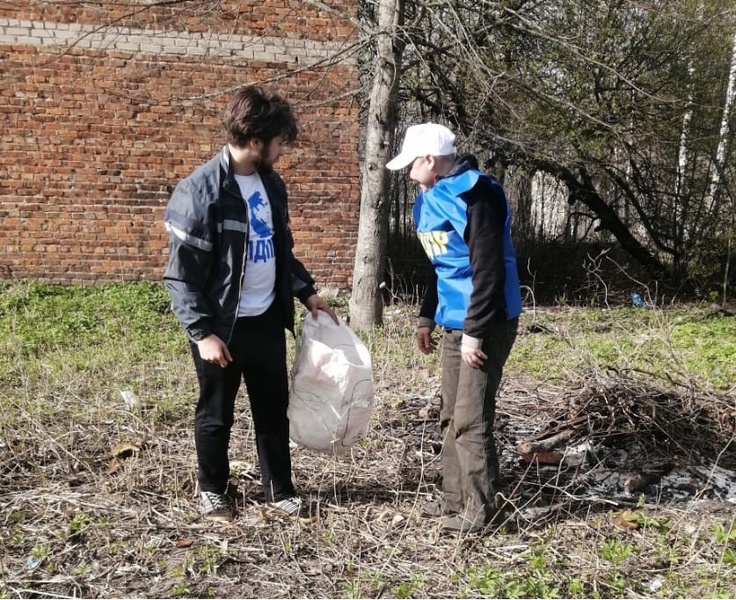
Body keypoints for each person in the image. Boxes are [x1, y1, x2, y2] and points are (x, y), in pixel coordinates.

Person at [163, 85, 338, 523]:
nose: (282, 151)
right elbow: (180, 275)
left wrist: (306, 292)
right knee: (216, 414)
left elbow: (280, 249)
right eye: (279, 142)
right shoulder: (199, 192)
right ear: (256, 141)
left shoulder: (270, 184)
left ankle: (279, 490)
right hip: (222, 329)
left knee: (272, 412)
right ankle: (213, 490)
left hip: (264, 321)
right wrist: (203, 333)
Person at [386, 123, 522, 533]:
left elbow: (489, 271)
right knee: (450, 415)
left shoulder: (477, 195)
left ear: (430, 159)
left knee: (471, 417)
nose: (407, 171)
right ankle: (453, 499)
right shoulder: (427, 198)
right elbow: (441, 266)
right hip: (452, 322)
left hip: (487, 320)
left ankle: (479, 512)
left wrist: (475, 333)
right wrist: (427, 316)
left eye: (411, 163)